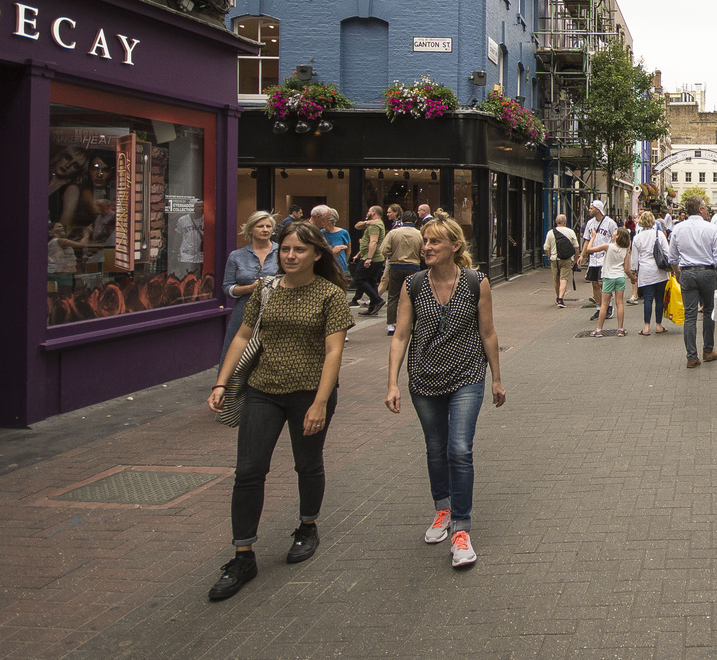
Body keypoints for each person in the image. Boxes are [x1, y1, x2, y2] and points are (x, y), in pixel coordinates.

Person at [206, 222, 352, 601]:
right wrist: (221, 382)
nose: (289, 256)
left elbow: (334, 351)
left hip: (309, 392)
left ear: (316, 254)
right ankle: (242, 554)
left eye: (299, 250)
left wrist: (320, 401)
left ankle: (307, 526)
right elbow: (242, 335)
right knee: (249, 470)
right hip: (263, 390)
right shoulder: (268, 288)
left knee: (307, 463)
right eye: (285, 249)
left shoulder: (330, 294)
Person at [385, 217, 506, 569]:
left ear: (455, 246)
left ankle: (461, 529)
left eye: (435, 242)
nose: (427, 247)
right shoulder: (413, 284)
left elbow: (488, 333)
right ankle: (443, 509)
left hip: (467, 374)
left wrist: (496, 378)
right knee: (435, 447)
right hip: (424, 378)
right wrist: (391, 382)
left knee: (459, 448)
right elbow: (401, 335)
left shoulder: (475, 282)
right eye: (425, 242)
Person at [669, 194, 717, 368]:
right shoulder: (711, 228)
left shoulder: (678, 229)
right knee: (709, 311)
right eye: (705, 208)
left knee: (690, 315)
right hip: (707, 273)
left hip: (687, 272)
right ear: (701, 209)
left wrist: (678, 274)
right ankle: (708, 350)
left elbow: (672, 257)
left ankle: (691, 357)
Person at [220, 211, 279, 359]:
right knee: (238, 356)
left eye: (268, 226)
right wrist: (249, 288)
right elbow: (227, 288)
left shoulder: (282, 252)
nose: (265, 229)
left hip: (277, 311)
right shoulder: (237, 256)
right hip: (244, 313)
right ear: (250, 229)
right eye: (260, 226)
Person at [378, 212, 424, 336]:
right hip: (413, 267)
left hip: (395, 266)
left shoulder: (393, 233)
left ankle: (391, 325)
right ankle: (411, 324)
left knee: (393, 296)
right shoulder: (419, 234)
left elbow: (383, 250)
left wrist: (393, 253)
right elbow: (424, 253)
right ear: (415, 221)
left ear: (402, 220)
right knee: (412, 297)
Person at [628, 210, 671, 334]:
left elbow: (634, 258)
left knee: (647, 299)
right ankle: (658, 325)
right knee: (659, 299)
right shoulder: (659, 234)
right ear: (653, 221)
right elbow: (667, 252)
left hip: (645, 271)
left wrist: (633, 272)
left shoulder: (637, 237)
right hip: (659, 271)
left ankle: (646, 327)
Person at [592, 227, 632, 337]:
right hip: (620, 277)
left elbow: (590, 249)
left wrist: (593, 238)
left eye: (615, 232)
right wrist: (633, 278)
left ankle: (599, 329)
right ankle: (620, 329)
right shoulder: (626, 250)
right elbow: (627, 269)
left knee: (604, 303)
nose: (613, 233)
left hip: (608, 277)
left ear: (617, 236)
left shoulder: (608, 247)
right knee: (619, 303)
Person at [580, 200, 617, 314]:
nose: (589, 210)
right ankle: (598, 308)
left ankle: (609, 306)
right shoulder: (590, 223)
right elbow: (586, 240)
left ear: (598, 209)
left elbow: (616, 237)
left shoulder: (610, 223)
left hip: (605, 257)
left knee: (603, 283)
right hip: (593, 258)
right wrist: (582, 255)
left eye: (591, 208)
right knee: (594, 284)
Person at [350, 205, 386, 315]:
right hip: (376, 258)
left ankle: (377, 300)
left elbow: (373, 242)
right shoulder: (373, 223)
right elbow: (357, 226)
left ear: (374, 212)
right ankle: (372, 308)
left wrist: (369, 258)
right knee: (371, 281)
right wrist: (367, 222)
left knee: (359, 279)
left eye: (369, 211)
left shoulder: (375, 225)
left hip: (371, 258)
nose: (367, 213)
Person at [543, 214, 580, 308]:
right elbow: (576, 248)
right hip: (567, 259)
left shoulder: (550, 232)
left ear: (556, 222)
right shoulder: (570, 232)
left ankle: (557, 297)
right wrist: (575, 260)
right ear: (565, 222)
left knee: (556, 279)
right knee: (564, 278)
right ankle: (561, 298)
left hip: (554, 259)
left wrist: (550, 257)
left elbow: (546, 248)